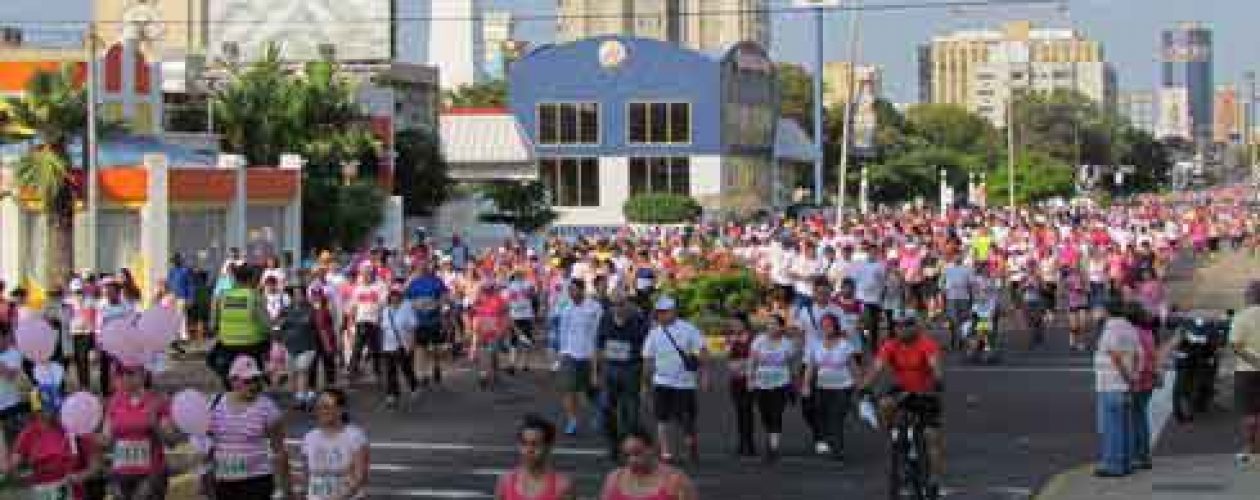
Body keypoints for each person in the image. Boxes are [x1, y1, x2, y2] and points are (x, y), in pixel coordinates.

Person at [858, 315, 945, 495]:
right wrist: (864, 387)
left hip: (925, 393)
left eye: (907, 326)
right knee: (884, 403)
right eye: (899, 326)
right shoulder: (890, 345)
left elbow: (935, 366)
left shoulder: (926, 344)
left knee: (931, 437)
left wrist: (937, 380)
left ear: (916, 327)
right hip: (902, 391)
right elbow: (876, 368)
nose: (902, 330)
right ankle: (893, 433)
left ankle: (935, 478)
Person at [207, 355, 291, 497]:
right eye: (247, 381)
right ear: (233, 380)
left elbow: (279, 450)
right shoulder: (214, 403)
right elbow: (207, 444)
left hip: (257, 481)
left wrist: (286, 487)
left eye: (256, 380)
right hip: (224, 481)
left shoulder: (267, 407)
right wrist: (206, 478)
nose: (253, 385)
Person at [5, 387, 104, 500]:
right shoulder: (28, 434)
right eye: (47, 409)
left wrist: (79, 476)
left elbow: (95, 465)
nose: (56, 411)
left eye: (57, 407)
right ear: (37, 411)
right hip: (41, 492)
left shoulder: (74, 425)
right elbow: (13, 466)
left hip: (73, 494)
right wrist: (19, 474)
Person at [642, 296, 707, 464]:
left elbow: (702, 350)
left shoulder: (688, 329)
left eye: (665, 312)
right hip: (662, 381)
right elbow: (648, 358)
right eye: (659, 312)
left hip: (685, 383)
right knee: (661, 418)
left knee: (686, 419)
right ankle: (666, 452)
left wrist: (703, 374)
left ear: (673, 311)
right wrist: (646, 382)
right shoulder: (654, 333)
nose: (661, 315)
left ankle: (690, 443)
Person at [104, 362, 176, 499]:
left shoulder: (158, 401)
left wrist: (155, 424)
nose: (125, 378)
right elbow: (107, 440)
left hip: (151, 475)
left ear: (143, 374)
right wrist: (86, 432)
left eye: (130, 373)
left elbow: (171, 440)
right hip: (121, 475)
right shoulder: (113, 402)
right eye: (121, 373)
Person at [593, 291, 649, 460]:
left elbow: (647, 351)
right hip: (610, 369)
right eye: (614, 304)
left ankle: (627, 446)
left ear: (628, 305)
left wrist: (645, 381)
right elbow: (598, 346)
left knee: (630, 413)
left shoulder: (639, 321)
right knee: (605, 409)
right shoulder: (606, 318)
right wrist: (595, 372)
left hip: (631, 369)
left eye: (621, 304)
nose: (618, 308)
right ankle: (613, 443)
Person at [802, 313, 862, 463]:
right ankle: (830, 440)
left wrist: (861, 386)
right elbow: (810, 367)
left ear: (835, 327)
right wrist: (806, 385)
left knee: (836, 417)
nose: (826, 328)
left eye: (829, 325)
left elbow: (853, 367)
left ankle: (838, 449)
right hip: (822, 387)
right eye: (823, 326)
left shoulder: (845, 345)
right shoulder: (815, 345)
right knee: (822, 416)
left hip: (843, 387)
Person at [1092, 299, 1140, 477]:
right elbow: (1137, 354)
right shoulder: (1130, 328)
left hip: (1110, 384)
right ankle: (1126, 462)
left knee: (1111, 427)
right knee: (1125, 426)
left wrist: (1127, 377)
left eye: (1098, 310)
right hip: (1124, 385)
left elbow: (1115, 355)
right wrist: (1133, 377)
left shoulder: (1111, 329)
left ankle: (1113, 465)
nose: (1096, 313)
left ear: (1107, 311)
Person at [298, 388, 369, 500]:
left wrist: (339, 497)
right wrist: (303, 493)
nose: (321, 411)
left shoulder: (355, 436)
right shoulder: (309, 437)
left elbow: (360, 477)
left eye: (326, 407)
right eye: (318, 407)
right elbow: (306, 474)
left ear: (341, 409)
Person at [747, 314, 798, 463]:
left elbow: (792, 365)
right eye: (769, 324)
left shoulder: (787, 344)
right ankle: (771, 436)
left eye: (775, 324)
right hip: (761, 383)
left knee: (776, 414)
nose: (771, 327)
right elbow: (752, 360)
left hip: (781, 383)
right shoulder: (759, 341)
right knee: (765, 415)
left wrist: (794, 385)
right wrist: (750, 379)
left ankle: (773, 447)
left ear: (781, 327)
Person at [556, 279, 603, 436]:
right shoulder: (567, 308)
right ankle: (572, 420)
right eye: (569, 290)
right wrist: (562, 354)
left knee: (591, 391)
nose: (571, 293)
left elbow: (598, 334)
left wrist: (598, 356)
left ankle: (598, 412)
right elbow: (563, 332)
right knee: (568, 389)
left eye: (574, 290)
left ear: (582, 290)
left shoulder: (595, 307)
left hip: (589, 355)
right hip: (570, 354)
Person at [598, 429, 698, 500]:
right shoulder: (614, 479)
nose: (632, 460)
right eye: (626, 455)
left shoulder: (675, 480)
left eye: (637, 453)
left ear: (651, 449)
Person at [213, 265, 270, 388]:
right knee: (258, 362)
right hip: (252, 343)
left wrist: (218, 330)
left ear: (235, 279)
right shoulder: (254, 296)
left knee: (225, 365)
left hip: (228, 342)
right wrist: (270, 335)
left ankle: (230, 388)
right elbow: (266, 324)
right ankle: (259, 378)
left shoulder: (222, 296)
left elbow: (213, 321)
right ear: (250, 279)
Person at [495, 415, 575, 500]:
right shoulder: (506, 482)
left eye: (535, 444)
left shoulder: (562, 487)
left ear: (548, 447)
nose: (529, 450)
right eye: (524, 443)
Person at [405, 261, 449, 387]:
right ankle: (422, 374)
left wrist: (442, 310)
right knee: (420, 347)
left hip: (434, 319)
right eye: (420, 266)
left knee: (435, 347)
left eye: (425, 266)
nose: (423, 268)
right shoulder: (413, 283)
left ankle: (436, 365)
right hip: (419, 320)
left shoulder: (437, 281)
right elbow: (407, 300)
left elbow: (444, 297)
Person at [1230, 281, 1260, 464]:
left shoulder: (1241, 316)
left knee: (1249, 412)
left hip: (1246, 371)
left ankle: (1251, 448)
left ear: (1250, 296)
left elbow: (1235, 345)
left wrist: (1254, 360)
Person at [279, 286, 319, 410]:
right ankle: (300, 396)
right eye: (295, 294)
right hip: (290, 345)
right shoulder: (286, 309)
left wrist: (289, 321)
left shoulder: (310, 309)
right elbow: (278, 323)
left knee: (302, 370)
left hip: (307, 345)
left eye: (300, 294)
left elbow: (307, 321)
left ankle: (301, 399)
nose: (297, 297)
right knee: (292, 373)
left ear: (304, 295)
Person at [380, 287, 419, 408]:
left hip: (402, 344)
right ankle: (392, 394)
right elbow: (382, 327)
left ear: (400, 298)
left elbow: (413, 327)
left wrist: (411, 344)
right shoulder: (386, 310)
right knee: (390, 371)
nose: (394, 299)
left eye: (396, 297)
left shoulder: (406, 309)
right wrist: (381, 344)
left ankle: (413, 386)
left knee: (405, 368)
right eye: (392, 297)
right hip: (388, 345)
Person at [724, 314, 757, 457]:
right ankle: (742, 442)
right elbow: (727, 356)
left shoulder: (753, 338)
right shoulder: (730, 338)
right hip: (735, 380)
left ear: (744, 323)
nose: (735, 326)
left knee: (747, 410)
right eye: (732, 324)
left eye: (737, 323)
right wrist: (731, 343)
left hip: (749, 379)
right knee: (740, 411)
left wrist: (742, 364)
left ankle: (749, 443)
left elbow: (754, 358)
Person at [469, 281, 510, 390]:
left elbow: (505, 314)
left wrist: (503, 329)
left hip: (495, 330)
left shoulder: (499, 300)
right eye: (485, 289)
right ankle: (483, 375)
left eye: (489, 289)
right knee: (483, 353)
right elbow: (474, 314)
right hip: (482, 330)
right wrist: (474, 330)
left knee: (493, 353)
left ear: (493, 289)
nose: (486, 291)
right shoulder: (478, 300)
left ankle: (495, 371)